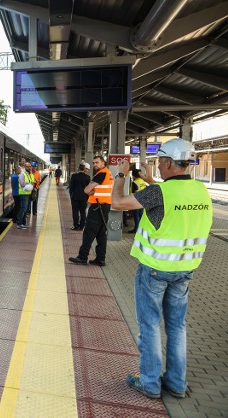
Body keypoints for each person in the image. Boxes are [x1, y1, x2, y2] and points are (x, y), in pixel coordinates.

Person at [111, 139, 212, 399]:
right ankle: (177, 383)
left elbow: (118, 203)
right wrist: (151, 180)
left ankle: (150, 383)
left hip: (155, 270)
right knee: (178, 326)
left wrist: (120, 174)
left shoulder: (160, 193)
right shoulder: (200, 191)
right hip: (185, 270)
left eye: (159, 163)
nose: (158, 166)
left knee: (150, 326)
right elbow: (171, 202)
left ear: (167, 162)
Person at [68, 155, 113, 266]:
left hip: (97, 206)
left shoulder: (101, 174)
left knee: (89, 232)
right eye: (93, 163)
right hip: (105, 205)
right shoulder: (108, 173)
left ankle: (82, 257)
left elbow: (87, 189)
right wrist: (94, 192)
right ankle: (100, 259)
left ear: (103, 162)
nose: (94, 165)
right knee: (101, 234)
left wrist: (91, 191)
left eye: (97, 162)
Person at [68, 163, 91, 230]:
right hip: (84, 198)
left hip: (75, 197)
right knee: (83, 212)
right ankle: (82, 226)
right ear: (84, 169)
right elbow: (88, 188)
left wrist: (71, 195)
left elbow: (71, 187)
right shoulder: (87, 177)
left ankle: (75, 226)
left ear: (78, 168)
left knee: (75, 212)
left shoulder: (74, 176)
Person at [128, 168, 148, 233]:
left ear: (133, 175)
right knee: (141, 215)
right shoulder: (143, 182)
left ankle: (136, 229)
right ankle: (141, 229)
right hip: (143, 201)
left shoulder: (135, 183)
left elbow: (135, 192)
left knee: (136, 215)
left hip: (136, 201)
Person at [17, 162, 35, 229]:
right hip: (24, 194)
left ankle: (23, 223)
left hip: (29, 193)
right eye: (28, 166)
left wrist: (31, 184)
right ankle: (19, 223)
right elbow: (22, 184)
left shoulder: (30, 174)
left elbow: (33, 182)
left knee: (26, 209)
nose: (29, 167)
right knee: (23, 209)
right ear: (24, 167)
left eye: (30, 166)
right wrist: (30, 183)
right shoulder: (22, 174)